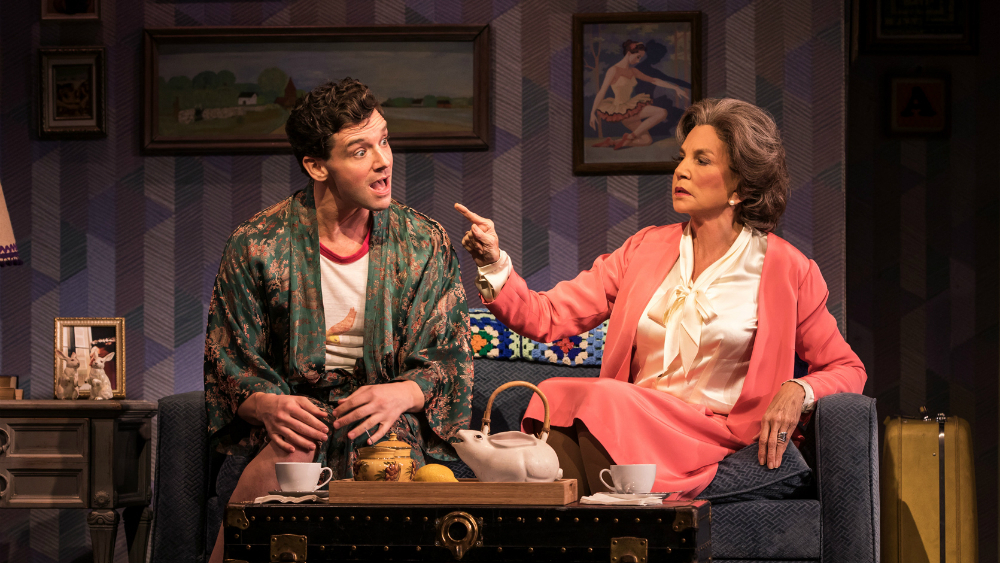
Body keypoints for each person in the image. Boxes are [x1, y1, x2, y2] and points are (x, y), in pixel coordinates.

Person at [456, 97, 866, 499]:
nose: (681, 171)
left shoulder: (788, 269)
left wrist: (798, 389)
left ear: (739, 186)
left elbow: (847, 368)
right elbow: (547, 316)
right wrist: (494, 264)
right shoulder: (643, 249)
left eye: (701, 160)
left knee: (600, 399)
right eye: (682, 157)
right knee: (563, 394)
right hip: (632, 421)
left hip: (715, 434)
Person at [205, 77, 474, 562]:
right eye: (359, 150)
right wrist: (266, 405)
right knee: (291, 452)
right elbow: (228, 360)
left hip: (386, 424)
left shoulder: (424, 243)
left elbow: (450, 356)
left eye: (384, 140)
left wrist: (402, 392)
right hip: (293, 427)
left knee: (388, 455)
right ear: (316, 165)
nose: (383, 160)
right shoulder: (256, 244)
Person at [589, 39, 690, 150]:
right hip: (621, 111)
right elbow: (602, 92)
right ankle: (630, 137)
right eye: (638, 57)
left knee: (646, 141)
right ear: (629, 53)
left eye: (640, 58)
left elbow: (654, 80)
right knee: (662, 112)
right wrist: (592, 113)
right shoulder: (613, 70)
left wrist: (675, 88)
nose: (638, 61)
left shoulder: (633, 71)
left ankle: (611, 142)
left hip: (631, 109)